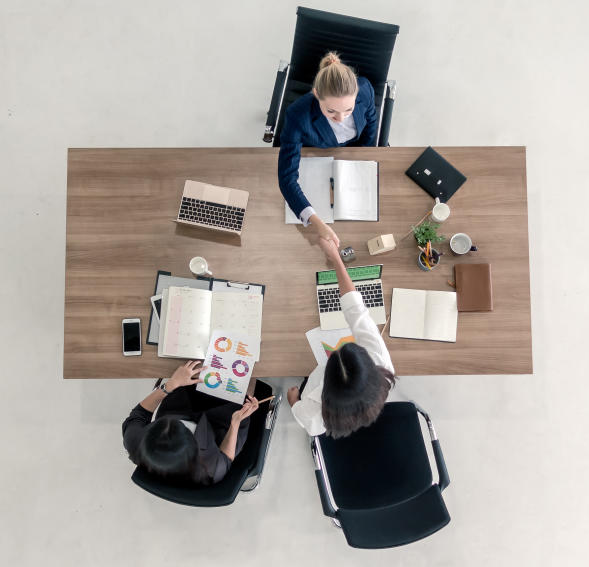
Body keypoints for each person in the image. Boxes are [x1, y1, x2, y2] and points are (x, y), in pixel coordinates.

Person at [287, 238, 399, 438]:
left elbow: (310, 424)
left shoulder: (314, 413)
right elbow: (355, 308)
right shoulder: (380, 361)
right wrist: (336, 258)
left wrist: (294, 401)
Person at [278, 51, 380, 248]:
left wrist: (363, 155)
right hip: (318, 154)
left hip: (352, 154)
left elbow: (371, 123)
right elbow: (286, 178)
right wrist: (316, 223)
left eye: (348, 110)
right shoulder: (298, 115)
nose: (341, 118)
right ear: (317, 95)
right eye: (331, 111)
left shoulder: (365, 88)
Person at [121, 361, 260, 485]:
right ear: (193, 445)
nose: (173, 422)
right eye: (180, 425)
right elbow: (225, 458)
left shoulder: (134, 442)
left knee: (191, 363)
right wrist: (235, 424)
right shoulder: (209, 468)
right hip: (218, 426)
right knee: (246, 371)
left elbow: (139, 414)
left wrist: (170, 385)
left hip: (178, 406)